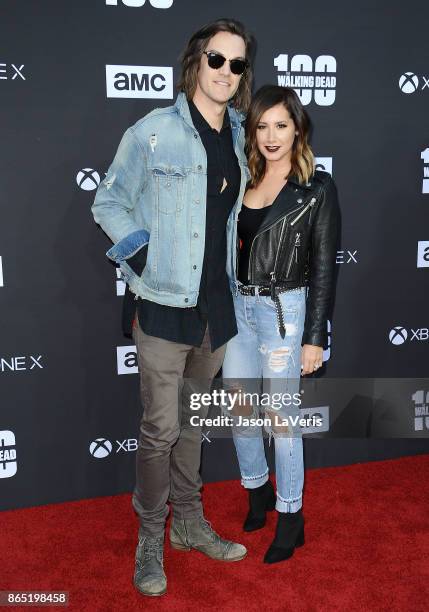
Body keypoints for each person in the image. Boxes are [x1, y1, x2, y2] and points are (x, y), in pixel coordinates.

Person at [91, 18, 255, 597]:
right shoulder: (153, 131)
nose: (227, 74)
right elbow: (108, 200)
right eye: (217, 60)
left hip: (216, 307)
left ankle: (189, 524)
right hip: (163, 306)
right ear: (195, 61)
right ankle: (151, 537)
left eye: (237, 65)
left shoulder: (240, 132)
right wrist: (144, 257)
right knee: (160, 431)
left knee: (191, 429)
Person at [222, 84, 340, 564]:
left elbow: (325, 267)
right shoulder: (242, 176)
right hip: (238, 312)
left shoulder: (316, 187)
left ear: (298, 128)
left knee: (281, 421)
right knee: (239, 408)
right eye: (262, 125)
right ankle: (257, 492)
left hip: (284, 315)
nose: (271, 136)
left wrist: (315, 337)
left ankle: (292, 516)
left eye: (281, 125)